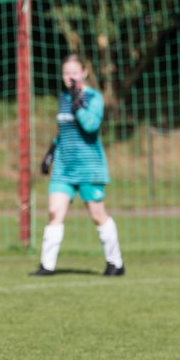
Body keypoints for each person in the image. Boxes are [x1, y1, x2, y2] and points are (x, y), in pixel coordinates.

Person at [31, 54, 125, 277]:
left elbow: (91, 126)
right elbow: (64, 131)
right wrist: (51, 152)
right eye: (66, 73)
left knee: (97, 215)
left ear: (84, 73)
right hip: (64, 168)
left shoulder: (93, 98)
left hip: (89, 168)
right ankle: (47, 265)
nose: (69, 77)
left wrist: (78, 105)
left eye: (74, 72)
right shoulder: (63, 98)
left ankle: (116, 263)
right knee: (54, 212)